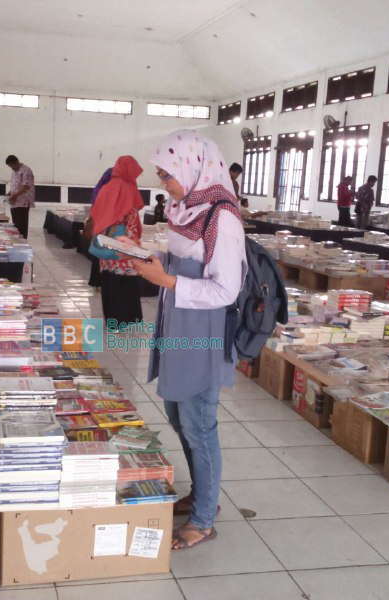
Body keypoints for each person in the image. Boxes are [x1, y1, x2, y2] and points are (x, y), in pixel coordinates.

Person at [123, 131, 246, 550]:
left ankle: (204, 518)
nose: (163, 183)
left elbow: (226, 289)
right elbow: (180, 262)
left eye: (166, 174)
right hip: (178, 324)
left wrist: (168, 280)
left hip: (203, 332)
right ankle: (201, 493)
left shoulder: (221, 219)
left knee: (199, 423)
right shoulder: (185, 209)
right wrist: (148, 258)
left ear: (193, 167)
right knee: (178, 416)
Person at [89, 156, 144, 329]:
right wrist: (135, 240)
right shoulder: (128, 188)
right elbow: (131, 216)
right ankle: (128, 319)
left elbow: (96, 213)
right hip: (124, 242)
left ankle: (112, 320)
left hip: (106, 241)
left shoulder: (106, 188)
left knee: (109, 280)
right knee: (126, 280)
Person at [5, 155, 35, 238]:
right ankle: (17, 240)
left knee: (22, 224)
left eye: (12, 166)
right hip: (14, 202)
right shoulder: (14, 172)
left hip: (23, 202)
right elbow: (15, 185)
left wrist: (15, 195)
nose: (11, 168)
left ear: (16, 162)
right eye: (10, 167)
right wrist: (10, 193)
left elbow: (26, 187)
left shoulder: (26, 171)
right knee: (16, 224)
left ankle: (22, 241)